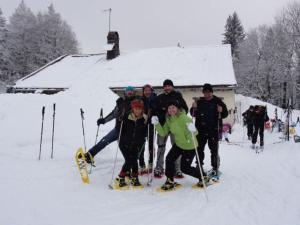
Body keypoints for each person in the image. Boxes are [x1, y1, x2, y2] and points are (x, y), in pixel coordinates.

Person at [151, 100, 210, 190]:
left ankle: (203, 176)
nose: (171, 110)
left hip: (190, 146)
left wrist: (192, 130)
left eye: (173, 107)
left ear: (178, 108)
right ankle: (170, 180)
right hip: (178, 145)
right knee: (169, 159)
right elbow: (163, 133)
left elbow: (195, 132)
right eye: (169, 108)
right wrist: (157, 124)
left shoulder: (185, 118)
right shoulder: (169, 119)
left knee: (185, 168)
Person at [81, 86, 138, 164]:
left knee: (126, 149)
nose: (130, 93)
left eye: (131, 91)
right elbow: (113, 114)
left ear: (134, 93)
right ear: (125, 93)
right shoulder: (120, 102)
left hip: (129, 131)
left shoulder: (137, 103)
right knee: (105, 140)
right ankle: (89, 155)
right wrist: (104, 120)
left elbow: (138, 115)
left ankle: (129, 164)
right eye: (128, 91)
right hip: (118, 129)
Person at [152, 79, 188, 178]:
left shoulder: (178, 96)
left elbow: (185, 109)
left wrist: (179, 118)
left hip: (175, 126)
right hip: (163, 125)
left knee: (177, 147)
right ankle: (159, 168)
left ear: (172, 86)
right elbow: (154, 108)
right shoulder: (160, 98)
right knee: (161, 147)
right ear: (163, 87)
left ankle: (177, 169)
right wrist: (155, 116)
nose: (167, 87)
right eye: (165, 86)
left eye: (169, 85)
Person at [190, 83, 228, 177]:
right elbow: (193, 114)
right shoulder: (199, 101)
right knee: (199, 149)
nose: (207, 94)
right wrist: (193, 108)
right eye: (205, 92)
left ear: (212, 92)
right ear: (203, 93)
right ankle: (199, 166)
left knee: (214, 150)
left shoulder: (218, 101)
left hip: (213, 130)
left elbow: (225, 114)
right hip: (200, 130)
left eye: (209, 92)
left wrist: (221, 110)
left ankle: (215, 167)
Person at [116, 99, 147, 187]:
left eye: (139, 108)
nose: (138, 110)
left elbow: (145, 131)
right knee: (129, 160)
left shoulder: (144, 118)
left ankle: (134, 178)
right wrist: (119, 120)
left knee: (134, 161)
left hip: (135, 144)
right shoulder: (126, 117)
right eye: (136, 108)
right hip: (124, 143)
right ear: (132, 109)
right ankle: (121, 177)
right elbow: (119, 129)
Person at [138, 84, 157, 174]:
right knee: (141, 144)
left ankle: (150, 163)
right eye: (145, 90)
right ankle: (141, 164)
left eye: (149, 90)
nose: (147, 92)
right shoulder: (140, 99)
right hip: (142, 124)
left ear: (151, 91)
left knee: (151, 145)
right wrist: (143, 115)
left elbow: (158, 109)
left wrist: (153, 114)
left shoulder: (156, 98)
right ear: (143, 91)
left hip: (152, 124)